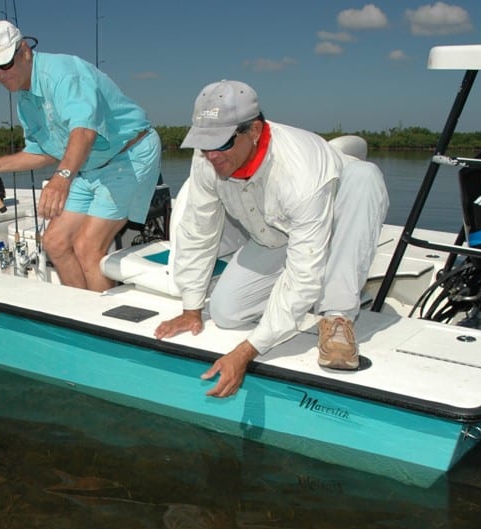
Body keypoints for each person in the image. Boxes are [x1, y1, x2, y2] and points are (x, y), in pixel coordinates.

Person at [155, 80, 389, 398]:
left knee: (364, 178)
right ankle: (297, 303)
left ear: (253, 131)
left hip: (335, 213)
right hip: (277, 235)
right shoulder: (207, 160)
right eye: (204, 143)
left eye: (221, 143)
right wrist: (192, 307)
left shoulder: (300, 172)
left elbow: (303, 273)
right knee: (226, 312)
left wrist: (248, 351)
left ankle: (337, 315)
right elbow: (198, 230)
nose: (211, 155)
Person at [0, 20, 162, 291]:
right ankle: (81, 310)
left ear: (24, 50)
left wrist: (62, 178)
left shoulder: (62, 74)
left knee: (87, 246)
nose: (2, 75)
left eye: (6, 65)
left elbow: (84, 133)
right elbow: (43, 152)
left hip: (128, 156)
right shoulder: (24, 99)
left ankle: (102, 325)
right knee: (54, 242)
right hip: (89, 167)